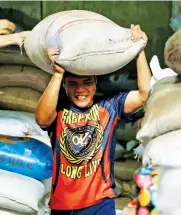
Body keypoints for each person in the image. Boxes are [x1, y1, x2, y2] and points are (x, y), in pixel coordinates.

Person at [35, 24, 151, 215]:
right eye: (72, 84)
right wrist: (57, 75)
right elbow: (41, 119)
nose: (80, 90)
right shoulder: (59, 110)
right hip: (63, 204)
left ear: (96, 83)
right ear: (65, 86)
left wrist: (140, 51)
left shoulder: (110, 106)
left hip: (100, 202)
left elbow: (144, 94)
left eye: (87, 82)